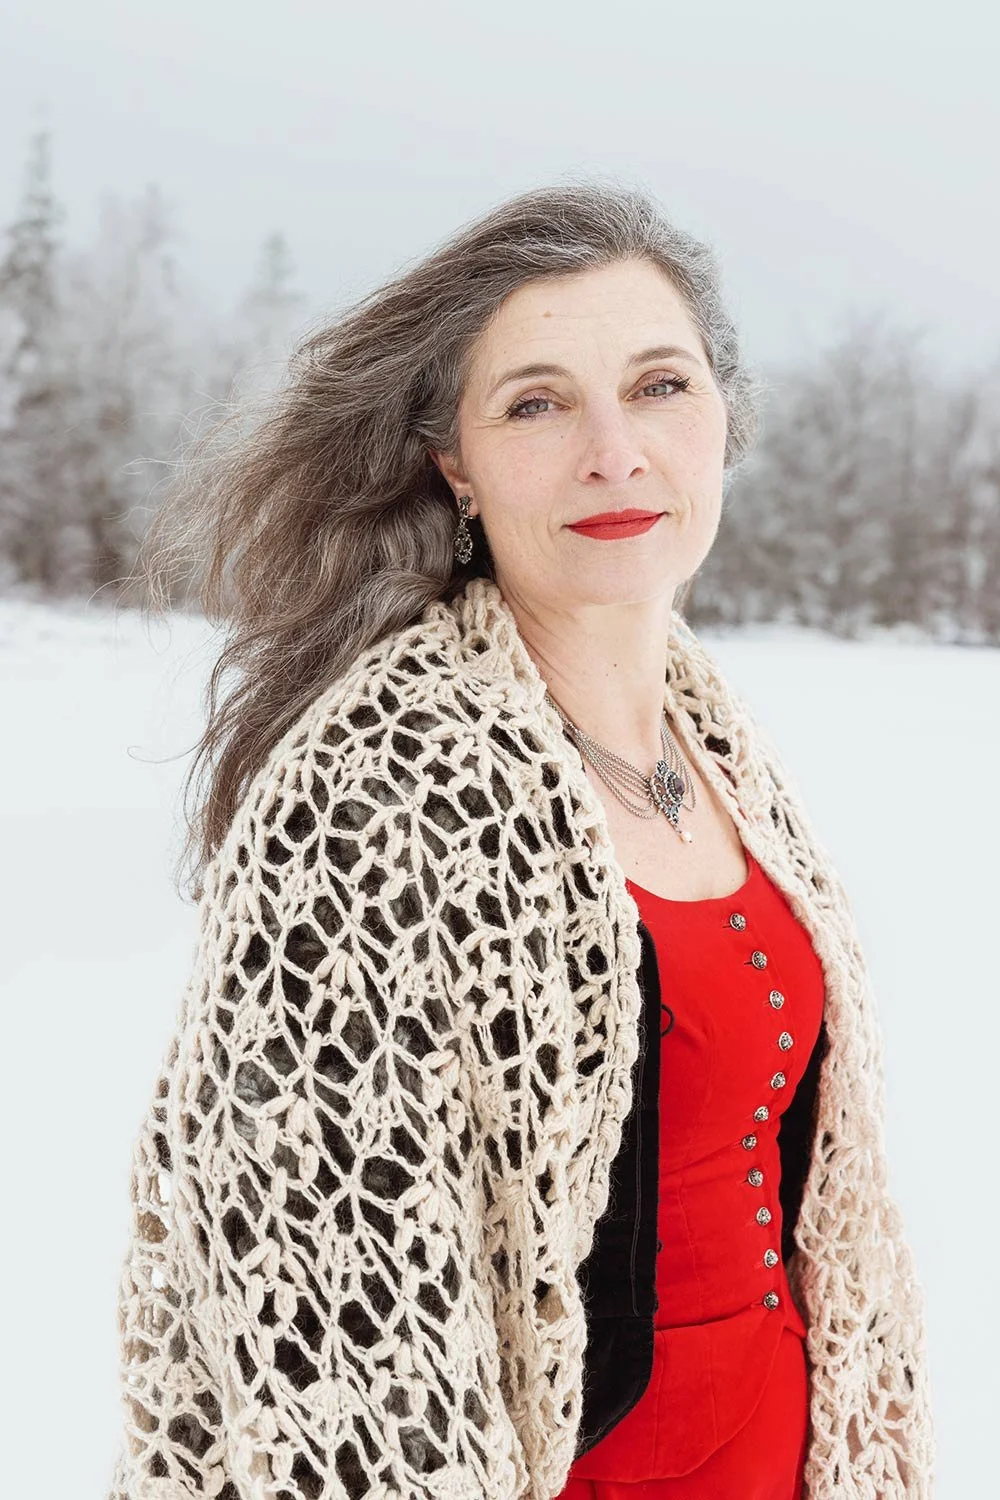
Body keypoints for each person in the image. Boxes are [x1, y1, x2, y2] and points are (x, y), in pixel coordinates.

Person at [108, 180, 935, 1500]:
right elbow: (340, 1325)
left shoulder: (717, 747)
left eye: (659, 386)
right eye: (536, 403)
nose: (615, 450)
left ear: (726, 421)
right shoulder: (373, 789)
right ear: (459, 468)